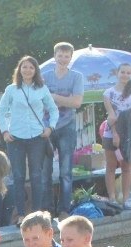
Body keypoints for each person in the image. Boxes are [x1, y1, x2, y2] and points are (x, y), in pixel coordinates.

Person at [0, 56, 59, 221]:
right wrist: (4, 131)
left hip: (37, 136)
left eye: (31, 67)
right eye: (24, 67)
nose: (27, 70)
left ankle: (37, 213)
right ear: (19, 69)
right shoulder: (11, 89)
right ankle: (21, 214)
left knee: (36, 175)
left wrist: (50, 127)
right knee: (18, 176)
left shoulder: (42, 89)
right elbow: (0, 110)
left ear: (36, 70)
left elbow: (53, 109)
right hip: (15, 137)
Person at [41, 42, 85, 215]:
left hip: (67, 126)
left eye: (67, 56)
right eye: (60, 55)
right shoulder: (44, 76)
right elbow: (39, 102)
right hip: (46, 127)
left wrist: (53, 96)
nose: (63, 59)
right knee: (45, 172)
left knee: (66, 172)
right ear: (55, 56)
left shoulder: (76, 77)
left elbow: (77, 102)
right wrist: (64, 100)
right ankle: (47, 209)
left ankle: (64, 209)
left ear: (70, 58)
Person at [102, 64, 131, 209]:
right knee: (111, 166)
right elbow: (111, 116)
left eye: (128, 73)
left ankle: (126, 199)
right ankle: (112, 198)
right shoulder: (108, 93)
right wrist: (115, 133)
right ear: (117, 73)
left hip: (128, 133)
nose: (125, 75)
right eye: (122, 72)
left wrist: (123, 119)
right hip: (111, 132)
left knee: (127, 166)